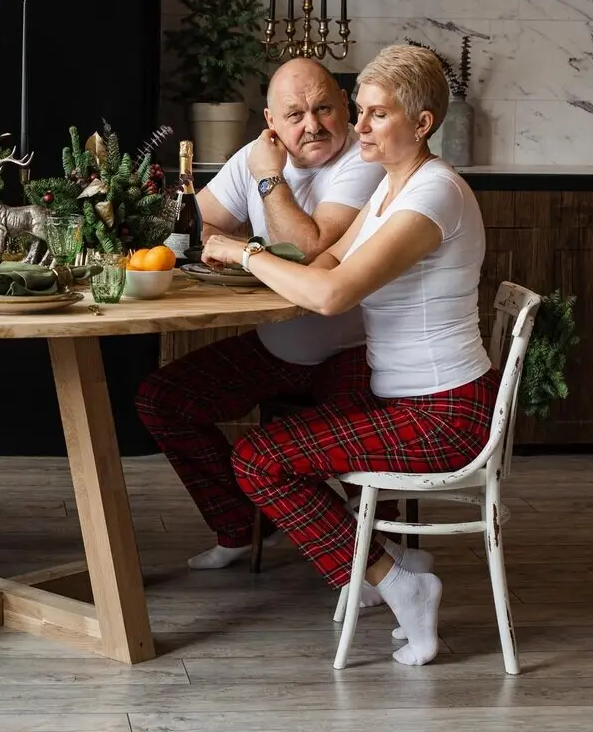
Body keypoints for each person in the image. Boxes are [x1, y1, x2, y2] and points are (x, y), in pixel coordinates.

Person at [199, 44, 497, 667]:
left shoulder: (432, 195)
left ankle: (397, 581)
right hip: (405, 399)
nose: (357, 127)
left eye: (376, 114)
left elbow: (331, 295)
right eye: (358, 111)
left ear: (421, 124)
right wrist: (254, 250)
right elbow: (323, 261)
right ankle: (396, 561)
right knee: (278, 442)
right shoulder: (394, 187)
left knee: (259, 460)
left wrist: (245, 253)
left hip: (444, 415)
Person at [136, 57, 386, 571]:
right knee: (163, 400)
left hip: (357, 355)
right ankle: (241, 527)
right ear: (270, 123)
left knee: (275, 455)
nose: (312, 125)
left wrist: (271, 180)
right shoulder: (252, 157)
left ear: (346, 107)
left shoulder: (363, 163)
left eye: (323, 108)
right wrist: (211, 237)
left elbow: (311, 248)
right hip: (279, 345)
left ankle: (374, 561)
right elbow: (190, 229)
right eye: (294, 115)